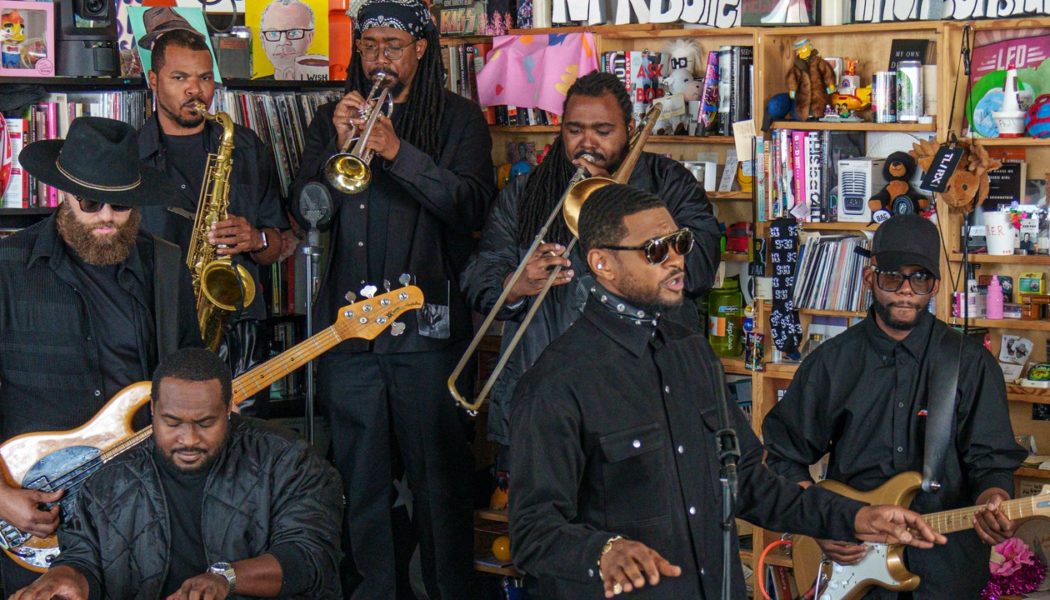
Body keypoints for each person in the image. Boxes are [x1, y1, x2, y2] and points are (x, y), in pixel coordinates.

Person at [509, 184, 946, 599]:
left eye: (679, 243)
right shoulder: (558, 383)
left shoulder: (693, 355)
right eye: (656, 251)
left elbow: (752, 483)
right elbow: (532, 532)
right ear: (602, 263)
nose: (677, 260)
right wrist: (601, 552)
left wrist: (854, 517)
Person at [289, 0, 495, 597]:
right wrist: (335, 145)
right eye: (370, 46)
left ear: (421, 51)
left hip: (428, 337)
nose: (380, 59)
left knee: (440, 489)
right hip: (348, 337)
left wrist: (396, 151)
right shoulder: (333, 117)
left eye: (393, 47)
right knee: (362, 486)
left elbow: (471, 207)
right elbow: (305, 211)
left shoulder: (457, 120)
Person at [762, 214, 1027, 599]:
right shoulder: (831, 362)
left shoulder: (969, 363)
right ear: (870, 279)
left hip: (947, 570)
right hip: (853, 563)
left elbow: (992, 464)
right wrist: (820, 522)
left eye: (920, 278)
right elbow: (783, 455)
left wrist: (994, 502)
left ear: (934, 285)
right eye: (892, 277)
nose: (906, 290)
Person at [462, 71, 721, 449]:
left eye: (603, 130)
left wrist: (624, 215)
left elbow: (698, 269)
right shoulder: (526, 193)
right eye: (575, 130)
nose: (587, 143)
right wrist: (515, 284)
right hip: (547, 390)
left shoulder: (669, 182)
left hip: (645, 387)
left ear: (630, 128)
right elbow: (478, 277)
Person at [0, 116, 201, 590]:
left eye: (122, 204)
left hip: (141, 513)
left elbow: (190, 373)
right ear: (63, 195)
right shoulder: (6, 270)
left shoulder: (166, 268)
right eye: (91, 202)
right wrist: (1, 498)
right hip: (28, 507)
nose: (107, 216)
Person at [10, 347, 343, 600]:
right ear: (153, 410)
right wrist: (68, 578)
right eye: (172, 423)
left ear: (229, 409)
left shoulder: (288, 461)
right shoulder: (110, 480)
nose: (189, 439)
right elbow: (84, 557)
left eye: (205, 423)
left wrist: (224, 578)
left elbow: (310, 558)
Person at [138, 28, 289, 412]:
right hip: (155, 328)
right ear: (153, 81)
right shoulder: (130, 156)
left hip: (237, 331)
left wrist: (258, 240)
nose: (196, 90)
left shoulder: (245, 146)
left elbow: (284, 241)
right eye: (180, 78)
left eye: (205, 78)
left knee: (242, 448)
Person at [259, 0, 316, 80]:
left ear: (309, 38)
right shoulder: (254, 88)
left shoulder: (322, 84)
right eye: (273, 34)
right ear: (263, 40)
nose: (283, 42)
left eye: (293, 33)